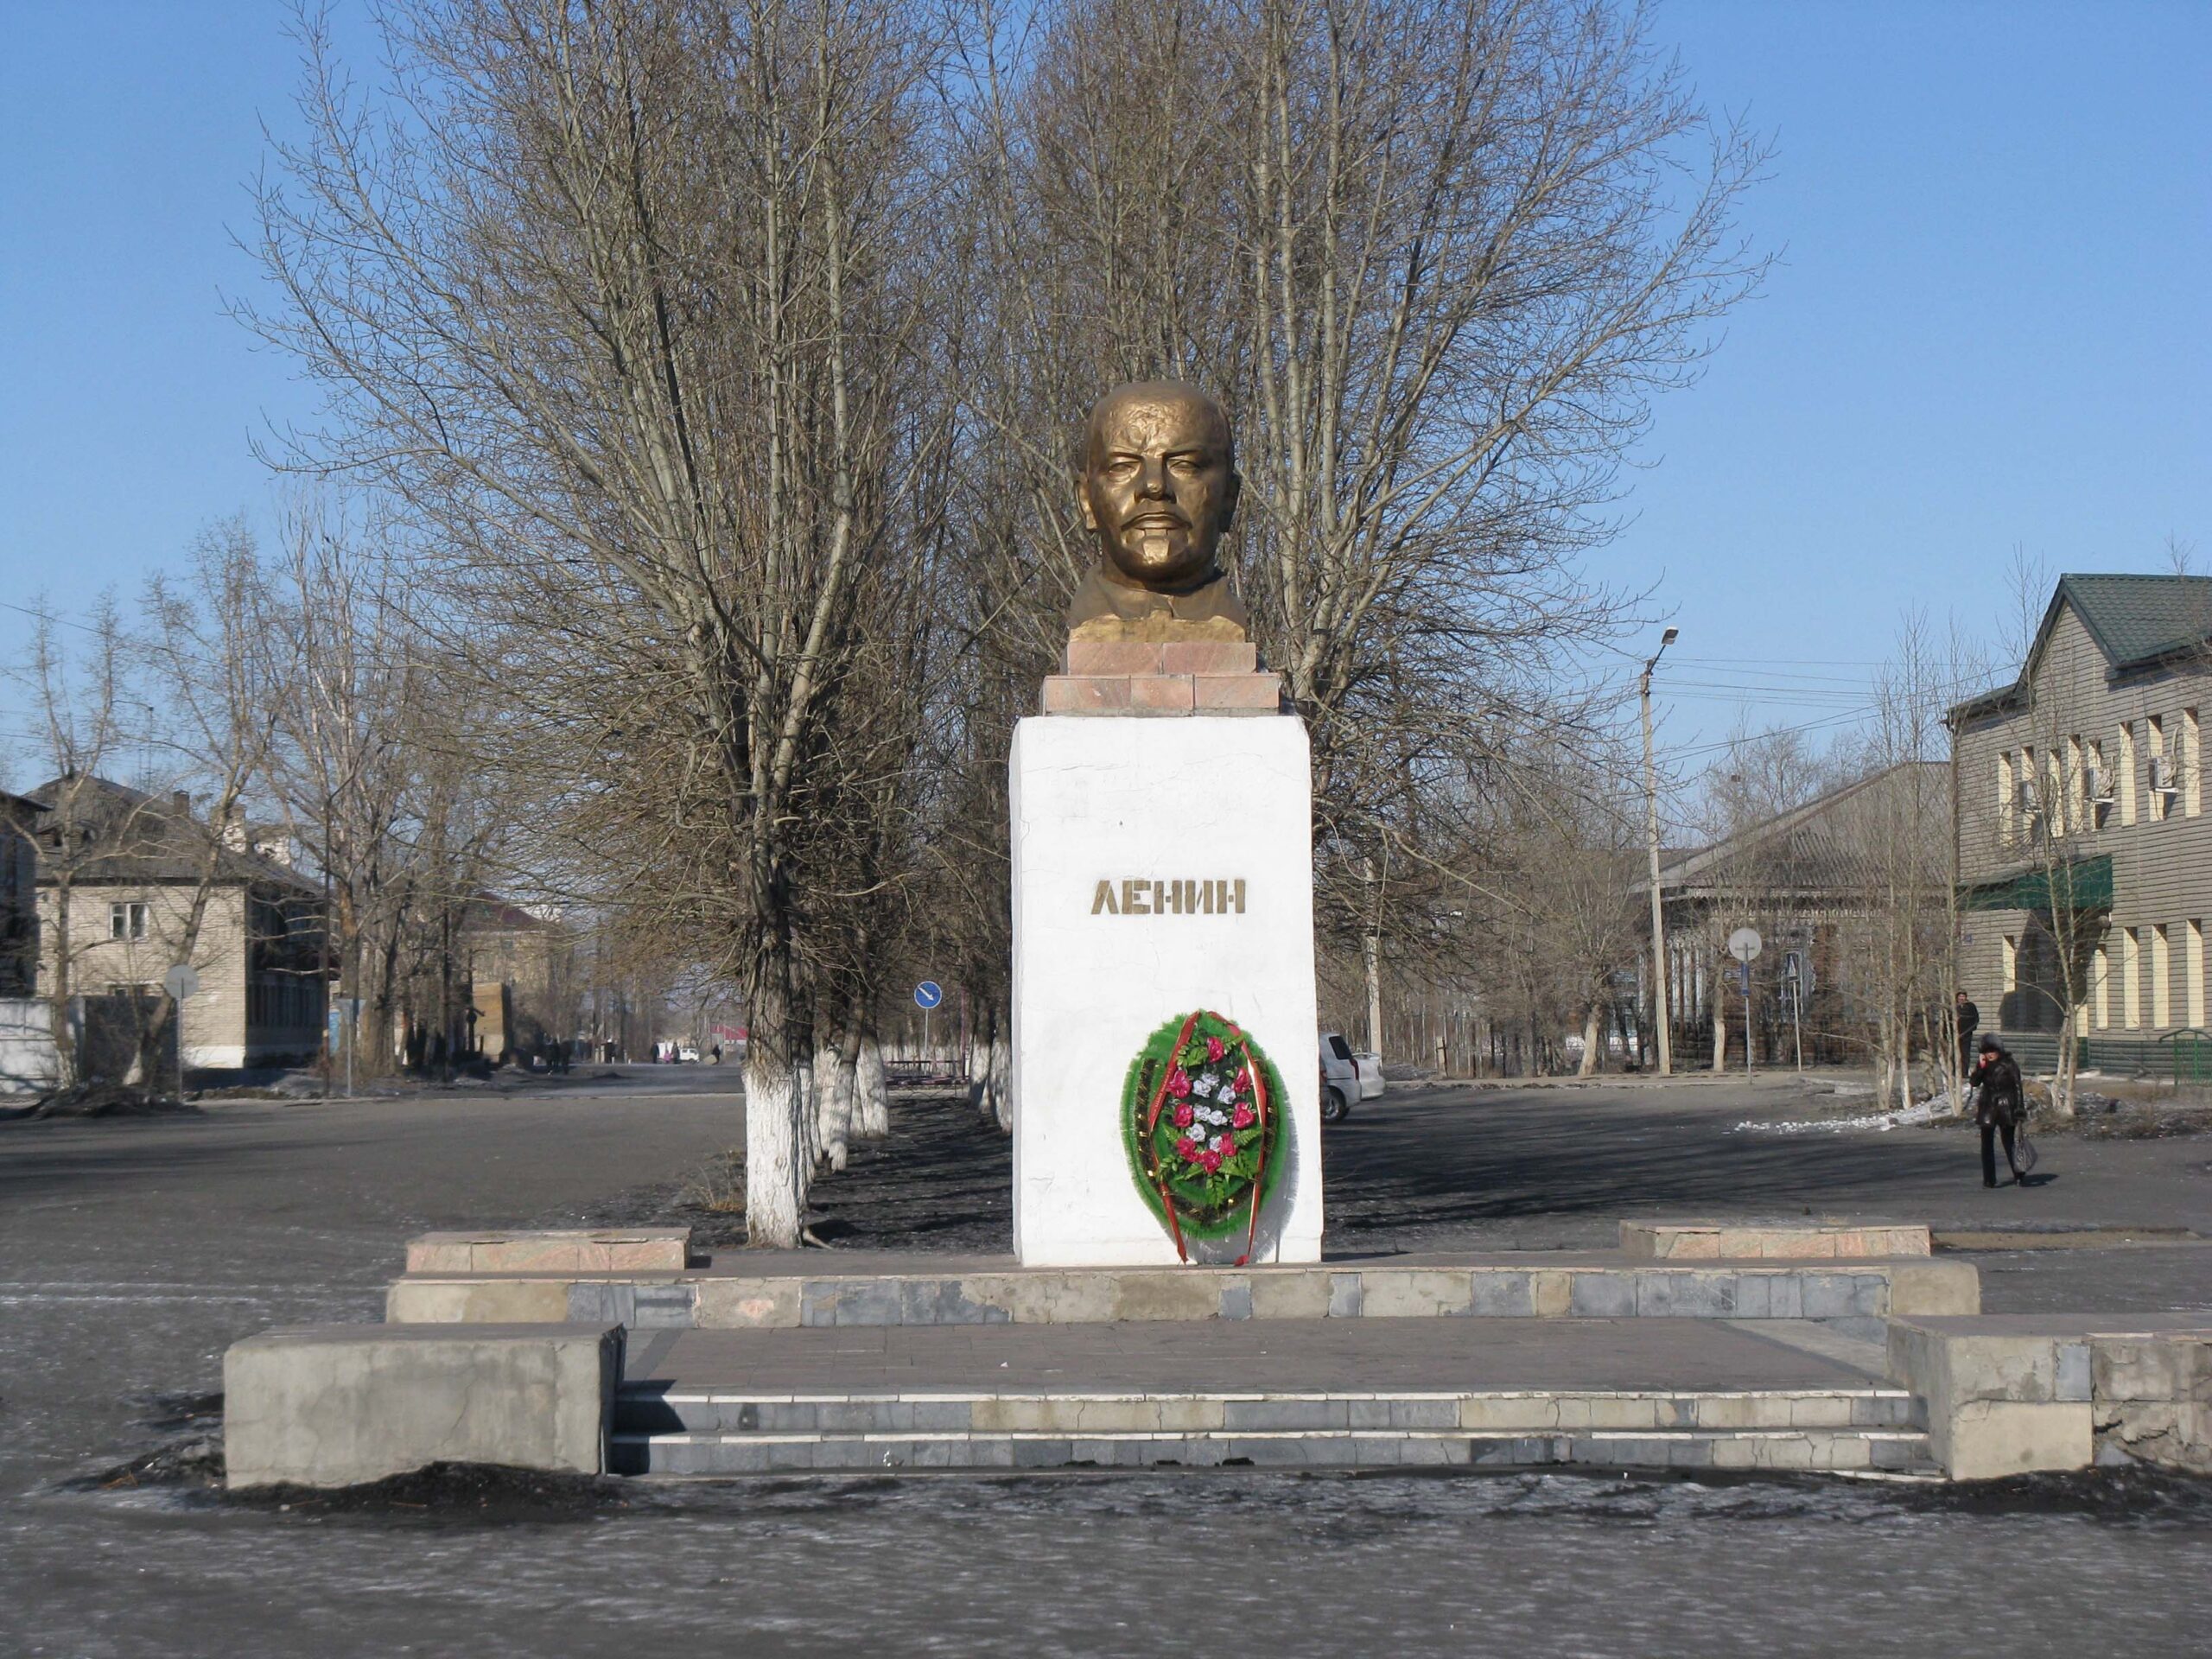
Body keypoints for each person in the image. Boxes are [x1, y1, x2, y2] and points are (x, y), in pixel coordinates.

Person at [1967, 1033, 2025, 1187]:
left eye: (1993, 1051)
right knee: (1986, 1145)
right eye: (1987, 1052)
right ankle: (1989, 1179)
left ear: (1999, 1050)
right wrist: (1980, 1067)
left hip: (2006, 1106)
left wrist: (2020, 1108)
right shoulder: (1983, 1066)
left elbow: (2018, 1087)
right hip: (1988, 1107)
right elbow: (1974, 1083)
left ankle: (2018, 1173)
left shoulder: (2009, 1064)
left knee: (2009, 1143)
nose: (1990, 1054)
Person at [1953, 990, 1980, 1080]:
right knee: (1955, 1053)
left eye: (1963, 996)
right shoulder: (1953, 1007)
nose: (1961, 998)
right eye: (1960, 997)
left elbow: (1976, 1020)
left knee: (1965, 1054)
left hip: (1967, 1034)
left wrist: (1966, 1032)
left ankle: (1964, 1073)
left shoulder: (1971, 1006)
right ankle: (1955, 1072)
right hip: (1955, 1034)